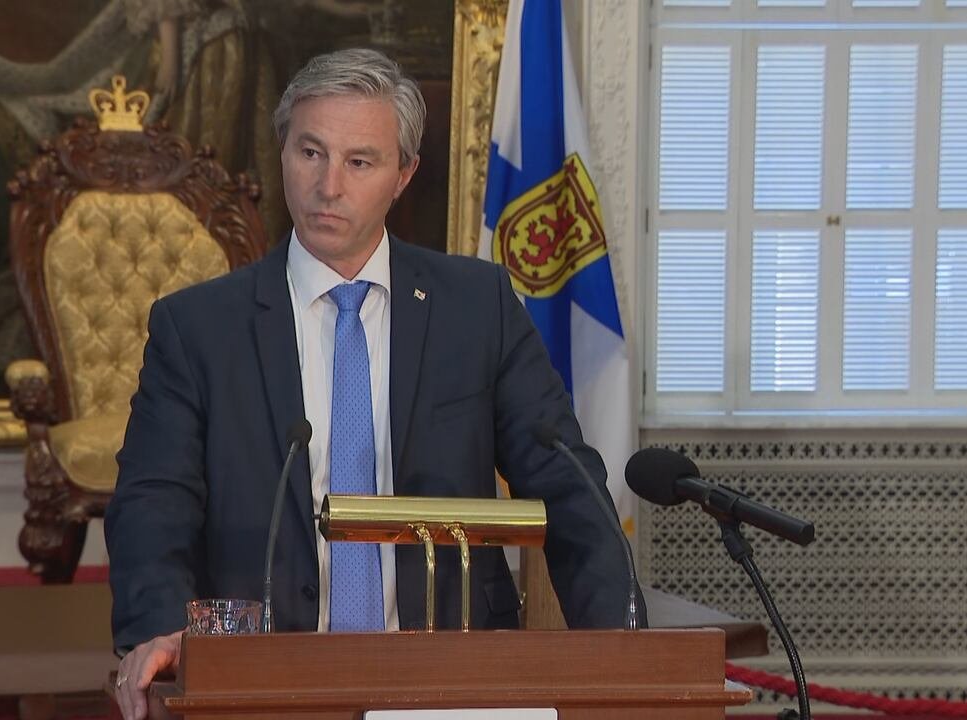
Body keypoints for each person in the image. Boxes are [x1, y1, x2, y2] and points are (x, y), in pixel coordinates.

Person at [105, 47, 642, 720]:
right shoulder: (198, 328)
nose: (328, 185)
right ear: (282, 153)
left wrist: (626, 656)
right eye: (311, 152)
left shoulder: (477, 307)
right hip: (266, 683)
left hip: (453, 679)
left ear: (403, 174)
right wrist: (160, 628)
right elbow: (154, 502)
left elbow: (569, 483)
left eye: (359, 162)